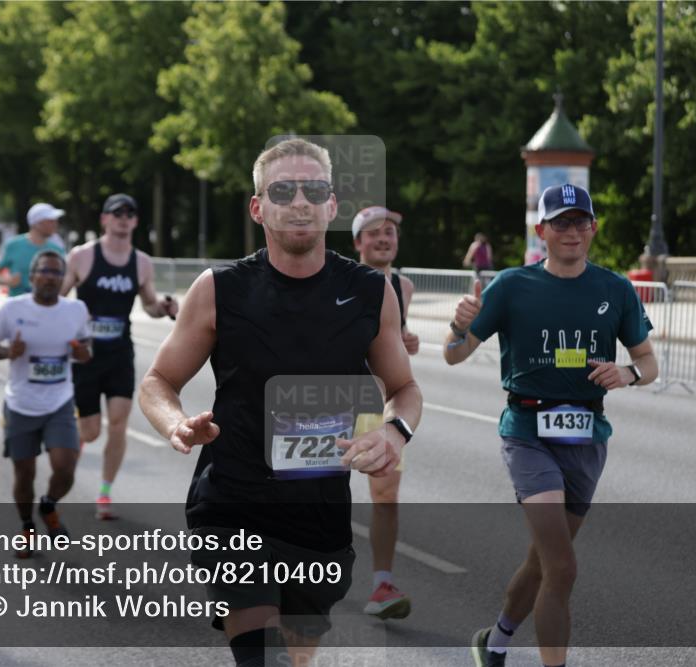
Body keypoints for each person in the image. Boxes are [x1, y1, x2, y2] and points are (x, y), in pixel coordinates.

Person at [138, 138, 422, 666]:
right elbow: (157, 381)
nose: (300, 202)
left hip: (320, 517)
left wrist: (393, 431)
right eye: (283, 190)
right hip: (232, 505)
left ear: (331, 205)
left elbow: (404, 389)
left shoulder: (368, 291)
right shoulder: (219, 289)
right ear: (258, 207)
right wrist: (175, 424)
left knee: (295, 655)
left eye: (314, 190)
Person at [443, 184, 658, 667]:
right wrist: (457, 327)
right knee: (562, 566)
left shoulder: (615, 289)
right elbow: (454, 355)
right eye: (561, 222)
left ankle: (495, 641)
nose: (571, 231)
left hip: (587, 436)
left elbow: (649, 362)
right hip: (527, 432)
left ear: (593, 228)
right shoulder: (511, 286)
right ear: (542, 230)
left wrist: (627, 373)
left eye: (580, 221)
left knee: (543, 561)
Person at [61, 193, 177, 519]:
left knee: (118, 423)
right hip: (85, 355)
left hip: (119, 354)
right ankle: (65, 468)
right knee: (90, 431)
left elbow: (150, 305)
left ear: (136, 221)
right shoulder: (82, 256)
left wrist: (164, 307)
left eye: (129, 214)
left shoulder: (141, 262)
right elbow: (59, 299)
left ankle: (104, 493)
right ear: (104, 219)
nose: (123, 219)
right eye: (117, 213)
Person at [0, 250, 91, 553]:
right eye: (45, 271)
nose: (51, 277)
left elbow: (85, 347)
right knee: (25, 474)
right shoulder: (12, 309)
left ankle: (48, 505)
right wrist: (8, 352)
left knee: (65, 466)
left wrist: (82, 353)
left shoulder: (76, 309)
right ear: (32, 275)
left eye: (57, 273)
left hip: (60, 401)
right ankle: (27, 526)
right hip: (20, 403)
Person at [351, 205, 419, 620]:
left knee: (386, 494)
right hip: (333, 399)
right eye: (373, 233)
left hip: (380, 402)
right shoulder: (341, 280)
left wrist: (406, 341)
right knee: (309, 494)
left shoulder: (403, 286)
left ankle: (381, 584)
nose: (383, 239)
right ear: (358, 242)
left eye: (389, 232)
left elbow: (394, 338)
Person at [0, 203, 64, 297]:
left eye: (55, 221)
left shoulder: (57, 249)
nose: (55, 224)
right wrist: (8, 281)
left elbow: (65, 278)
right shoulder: (13, 245)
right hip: (18, 304)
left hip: (48, 305)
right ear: (37, 223)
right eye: (51, 221)